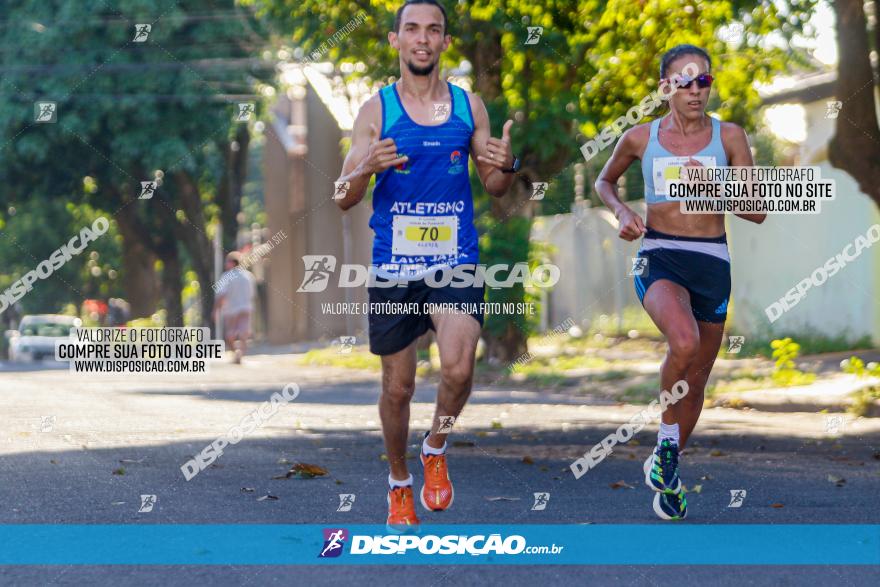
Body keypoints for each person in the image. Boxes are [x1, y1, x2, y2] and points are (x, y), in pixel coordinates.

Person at [333, 0, 518, 532]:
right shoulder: (376, 111)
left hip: (455, 261)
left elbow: (495, 185)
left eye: (433, 30)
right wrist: (366, 165)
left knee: (459, 369)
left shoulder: (468, 107)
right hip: (394, 265)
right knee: (399, 387)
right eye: (411, 29)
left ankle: (435, 445)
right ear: (395, 41)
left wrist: (506, 164)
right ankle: (398, 483)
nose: (422, 38)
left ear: (443, 42)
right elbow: (343, 196)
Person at [595, 44, 766, 520]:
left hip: (712, 260)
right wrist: (622, 211)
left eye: (703, 81)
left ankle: (665, 467)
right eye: (684, 81)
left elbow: (757, 210)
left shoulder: (730, 136)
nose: (695, 91)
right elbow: (603, 183)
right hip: (660, 255)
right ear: (665, 88)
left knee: (697, 377)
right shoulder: (638, 138)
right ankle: (667, 445)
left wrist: (714, 187)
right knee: (684, 341)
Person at [214, 252, 256, 364]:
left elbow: (221, 295)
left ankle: (235, 353)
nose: (225, 264)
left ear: (232, 263)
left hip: (231, 309)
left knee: (230, 333)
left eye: (227, 262)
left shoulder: (226, 276)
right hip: (246, 308)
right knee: (244, 333)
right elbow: (252, 294)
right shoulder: (248, 276)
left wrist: (216, 310)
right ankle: (240, 353)